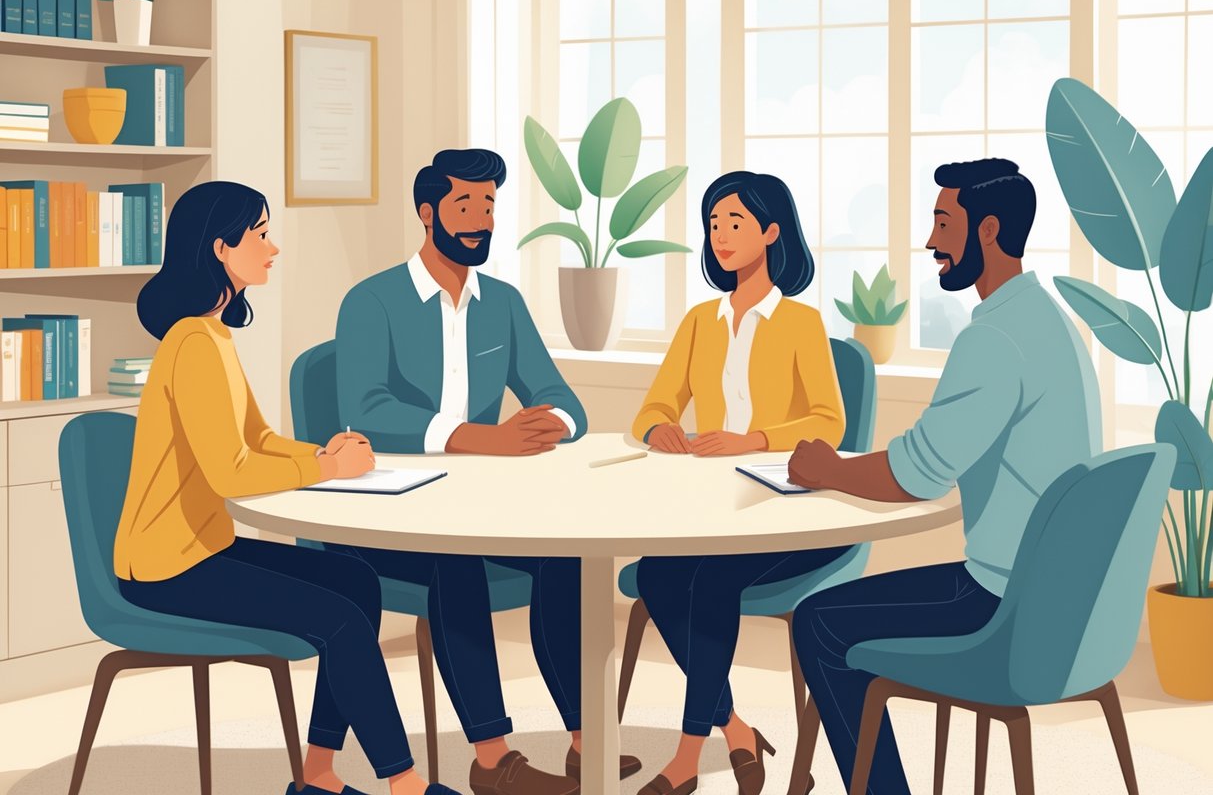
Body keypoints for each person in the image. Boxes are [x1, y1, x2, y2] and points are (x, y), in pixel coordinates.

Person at [114, 181, 460, 795]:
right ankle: (404, 784)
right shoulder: (192, 344)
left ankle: (319, 776)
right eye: (263, 234)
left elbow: (258, 437)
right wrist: (327, 472)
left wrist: (324, 454)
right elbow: (230, 471)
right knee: (342, 622)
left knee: (356, 581)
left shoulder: (214, 335)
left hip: (202, 546)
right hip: (168, 564)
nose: (274, 248)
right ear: (222, 248)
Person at [788, 158, 1102, 795]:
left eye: (942, 221)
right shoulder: (1052, 323)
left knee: (817, 621)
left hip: (1001, 605)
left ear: (987, 232)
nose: (931, 241)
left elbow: (918, 474)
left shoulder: (996, 340)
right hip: (1064, 605)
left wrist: (829, 467)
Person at [333, 148, 641, 795]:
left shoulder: (500, 303)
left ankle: (587, 743)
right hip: (380, 516)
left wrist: (549, 423)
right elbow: (364, 409)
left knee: (566, 557)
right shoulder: (371, 302)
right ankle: (492, 758)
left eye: (489, 205)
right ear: (427, 213)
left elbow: (562, 397)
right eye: (463, 204)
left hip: (477, 504)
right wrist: (480, 438)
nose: (479, 219)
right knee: (456, 563)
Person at [630, 171, 850, 795]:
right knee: (655, 574)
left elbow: (829, 422)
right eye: (713, 224)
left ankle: (685, 757)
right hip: (716, 509)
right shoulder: (701, 320)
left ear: (771, 232)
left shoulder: (800, 323)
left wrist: (752, 440)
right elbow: (652, 407)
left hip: (791, 510)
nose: (720, 235)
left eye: (735, 223)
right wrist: (660, 431)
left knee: (713, 579)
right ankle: (734, 728)